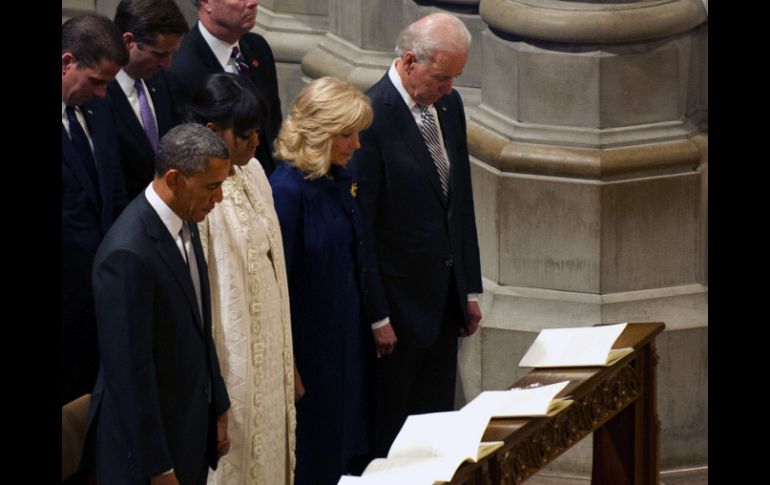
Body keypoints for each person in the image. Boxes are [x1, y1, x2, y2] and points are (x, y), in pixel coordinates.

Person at [349, 12, 484, 458]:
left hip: (443, 304)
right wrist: (378, 316)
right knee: (395, 437)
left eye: (455, 77)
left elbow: (459, 204)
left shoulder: (449, 105)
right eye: (442, 77)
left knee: (435, 429)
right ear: (409, 61)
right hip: (398, 312)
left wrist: (468, 288)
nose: (449, 88)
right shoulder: (370, 117)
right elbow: (364, 228)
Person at [82, 123, 232, 485]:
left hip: (188, 430)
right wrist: (158, 467)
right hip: (147, 456)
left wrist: (219, 404)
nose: (220, 198)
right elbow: (129, 377)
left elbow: (199, 324)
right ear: (175, 179)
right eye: (211, 186)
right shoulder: (126, 255)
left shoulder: (186, 218)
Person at [188, 72, 298, 485]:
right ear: (212, 130)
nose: (256, 142)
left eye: (258, 132)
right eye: (246, 134)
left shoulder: (254, 172)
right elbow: (197, 292)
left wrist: (289, 359)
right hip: (230, 361)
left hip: (271, 355)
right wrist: (213, 394)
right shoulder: (196, 187)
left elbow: (273, 266)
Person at [269, 77, 375, 485]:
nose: (357, 145)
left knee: (339, 450)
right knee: (313, 455)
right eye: (347, 135)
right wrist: (290, 364)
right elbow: (278, 285)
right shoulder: (286, 191)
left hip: (341, 341)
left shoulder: (335, 178)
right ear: (318, 133)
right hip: (308, 353)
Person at [62, 13, 129, 407]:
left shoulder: (98, 109)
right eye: (96, 81)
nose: (103, 93)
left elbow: (114, 193)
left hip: (97, 300)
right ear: (66, 62)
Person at [171, 0, 282, 177]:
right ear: (206, 2)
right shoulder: (180, 67)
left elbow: (273, 125)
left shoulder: (258, 47)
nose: (253, 3)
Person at [109, 0, 190, 200]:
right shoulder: (98, 94)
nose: (167, 63)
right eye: (160, 54)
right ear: (128, 41)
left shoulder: (166, 83)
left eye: (171, 54)